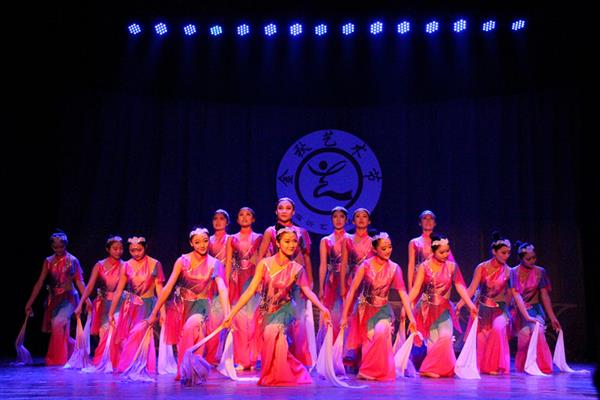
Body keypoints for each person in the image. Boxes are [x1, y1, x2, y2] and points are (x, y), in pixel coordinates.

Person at [223, 227, 331, 386]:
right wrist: (231, 314)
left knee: (271, 332)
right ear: (278, 244)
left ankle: (274, 375)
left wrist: (323, 308)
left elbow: (308, 291)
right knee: (277, 345)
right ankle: (291, 373)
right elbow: (250, 291)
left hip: (285, 309)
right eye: (287, 241)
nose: (291, 245)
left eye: (294, 241)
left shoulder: (297, 269)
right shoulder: (264, 264)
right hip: (266, 310)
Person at [147, 227, 230, 379]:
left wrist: (227, 314)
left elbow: (222, 288)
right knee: (185, 341)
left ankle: (191, 372)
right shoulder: (182, 261)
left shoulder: (215, 264)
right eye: (197, 242)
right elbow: (168, 287)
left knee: (194, 329)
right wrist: (154, 313)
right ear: (191, 243)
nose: (202, 245)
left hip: (201, 307)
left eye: (205, 241)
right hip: (181, 308)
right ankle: (187, 372)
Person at [340, 232, 417, 380]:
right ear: (375, 250)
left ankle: (375, 371)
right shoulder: (365, 266)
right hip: (364, 309)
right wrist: (344, 316)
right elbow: (352, 290)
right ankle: (368, 370)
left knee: (382, 331)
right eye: (383, 248)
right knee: (368, 343)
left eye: (389, 247)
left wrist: (411, 318)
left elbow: (403, 293)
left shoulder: (394, 268)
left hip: (382, 309)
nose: (388, 251)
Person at [408, 233, 477, 378]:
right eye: (442, 252)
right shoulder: (424, 267)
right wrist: (406, 306)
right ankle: (432, 370)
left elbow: (460, 286)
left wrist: (470, 305)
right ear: (433, 251)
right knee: (433, 341)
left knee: (446, 336)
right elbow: (416, 289)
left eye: (447, 251)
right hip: (427, 308)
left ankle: (430, 368)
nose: (445, 254)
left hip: (444, 308)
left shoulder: (452, 267)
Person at [257, 197, 314, 367]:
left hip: (296, 279)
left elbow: (306, 257)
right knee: (275, 319)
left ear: (293, 211)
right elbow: (261, 256)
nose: (284, 211)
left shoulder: (301, 232)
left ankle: (299, 359)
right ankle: (277, 357)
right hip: (277, 283)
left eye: (288, 208)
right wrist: (260, 281)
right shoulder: (270, 232)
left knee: (298, 320)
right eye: (280, 208)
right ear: (276, 211)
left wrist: (310, 281)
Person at [25, 231, 90, 366]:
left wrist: (87, 300)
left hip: (69, 298)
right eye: (55, 247)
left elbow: (79, 282)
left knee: (59, 324)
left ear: (66, 245)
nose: (59, 250)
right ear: (52, 247)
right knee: (59, 330)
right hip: (55, 299)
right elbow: (40, 282)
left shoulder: (72, 260)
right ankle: (75, 353)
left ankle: (59, 360)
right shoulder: (48, 261)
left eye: (61, 247)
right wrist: (29, 303)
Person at [107, 235, 165, 373]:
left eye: (139, 250)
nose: (136, 253)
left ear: (145, 248)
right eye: (132, 250)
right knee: (131, 336)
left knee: (142, 335)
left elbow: (160, 290)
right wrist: (111, 312)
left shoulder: (155, 264)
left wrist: (162, 312)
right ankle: (130, 365)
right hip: (131, 306)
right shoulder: (126, 265)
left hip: (148, 306)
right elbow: (119, 290)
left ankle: (144, 365)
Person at [457, 232, 512, 375]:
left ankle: (495, 365)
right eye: (503, 252)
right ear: (494, 251)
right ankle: (484, 367)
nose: (506, 256)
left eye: (508, 253)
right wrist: (460, 304)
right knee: (482, 338)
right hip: (483, 308)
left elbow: (512, 294)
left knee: (498, 329)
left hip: (499, 308)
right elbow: (471, 288)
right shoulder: (482, 268)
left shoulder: (509, 271)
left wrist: (508, 311)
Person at [74, 235, 125, 369]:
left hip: (119, 303)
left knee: (116, 333)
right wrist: (81, 304)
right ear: (108, 249)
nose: (118, 251)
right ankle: (104, 362)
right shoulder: (100, 265)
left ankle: (117, 362)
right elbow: (90, 286)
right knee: (104, 334)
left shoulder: (125, 265)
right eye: (115, 248)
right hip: (103, 304)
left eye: (121, 248)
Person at [510, 241, 561, 374]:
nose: (532, 261)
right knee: (524, 337)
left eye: (534, 258)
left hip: (535, 309)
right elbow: (515, 295)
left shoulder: (540, 272)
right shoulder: (513, 272)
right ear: (521, 259)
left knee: (538, 331)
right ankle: (524, 365)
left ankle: (542, 366)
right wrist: (524, 314)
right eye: (528, 259)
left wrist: (553, 317)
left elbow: (544, 296)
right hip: (520, 310)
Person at [224, 207, 263, 370]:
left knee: (254, 320)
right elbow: (228, 263)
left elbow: (263, 260)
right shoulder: (231, 239)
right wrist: (226, 284)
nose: (245, 217)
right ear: (237, 219)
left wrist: (261, 282)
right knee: (239, 320)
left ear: (253, 219)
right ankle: (242, 359)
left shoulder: (259, 238)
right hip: (237, 281)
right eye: (241, 214)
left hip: (254, 279)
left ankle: (254, 358)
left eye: (248, 215)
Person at [343, 208, 375, 369]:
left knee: (366, 317)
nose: (361, 219)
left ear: (369, 221)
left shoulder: (374, 241)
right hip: (353, 282)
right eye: (357, 216)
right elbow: (344, 264)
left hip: (369, 283)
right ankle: (352, 354)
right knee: (353, 317)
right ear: (353, 221)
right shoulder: (347, 239)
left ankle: (366, 355)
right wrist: (343, 285)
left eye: (364, 216)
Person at [316, 206, 349, 347]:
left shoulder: (350, 239)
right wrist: (321, 288)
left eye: (341, 216)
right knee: (333, 313)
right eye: (335, 216)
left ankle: (345, 348)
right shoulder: (326, 240)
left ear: (346, 220)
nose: (338, 219)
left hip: (347, 279)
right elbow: (323, 264)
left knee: (346, 311)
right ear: (331, 219)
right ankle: (331, 347)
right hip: (331, 281)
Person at [205, 209, 233, 364]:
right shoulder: (207, 239)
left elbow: (228, 261)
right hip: (210, 279)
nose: (218, 221)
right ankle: (210, 353)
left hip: (224, 279)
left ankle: (222, 353)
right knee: (211, 318)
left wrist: (225, 282)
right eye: (215, 218)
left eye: (222, 218)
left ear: (227, 222)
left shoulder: (230, 239)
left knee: (224, 315)